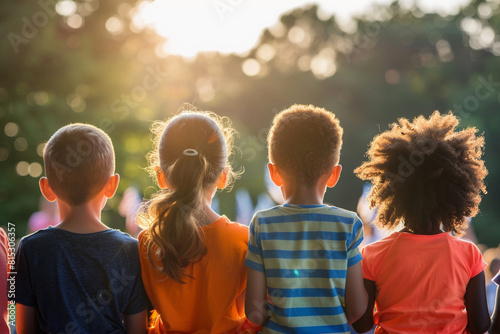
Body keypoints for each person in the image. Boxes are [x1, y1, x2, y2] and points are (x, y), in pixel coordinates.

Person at [352, 111, 490, 334]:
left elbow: (361, 324)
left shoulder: (372, 254)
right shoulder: (469, 255)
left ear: (394, 194)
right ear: (455, 195)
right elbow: (480, 325)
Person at [245, 104, 368, 333]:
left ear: (273, 173)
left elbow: (254, 312)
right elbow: (357, 308)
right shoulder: (348, 225)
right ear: (334, 174)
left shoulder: (262, 224)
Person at [15, 123, 149, 333]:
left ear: (46, 188)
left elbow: (23, 329)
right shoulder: (131, 250)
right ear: (112, 185)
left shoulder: (31, 249)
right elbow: (138, 330)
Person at [138, 110, 257, 333]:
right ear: (223, 176)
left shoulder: (148, 241)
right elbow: (253, 314)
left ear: (161, 176)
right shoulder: (244, 241)